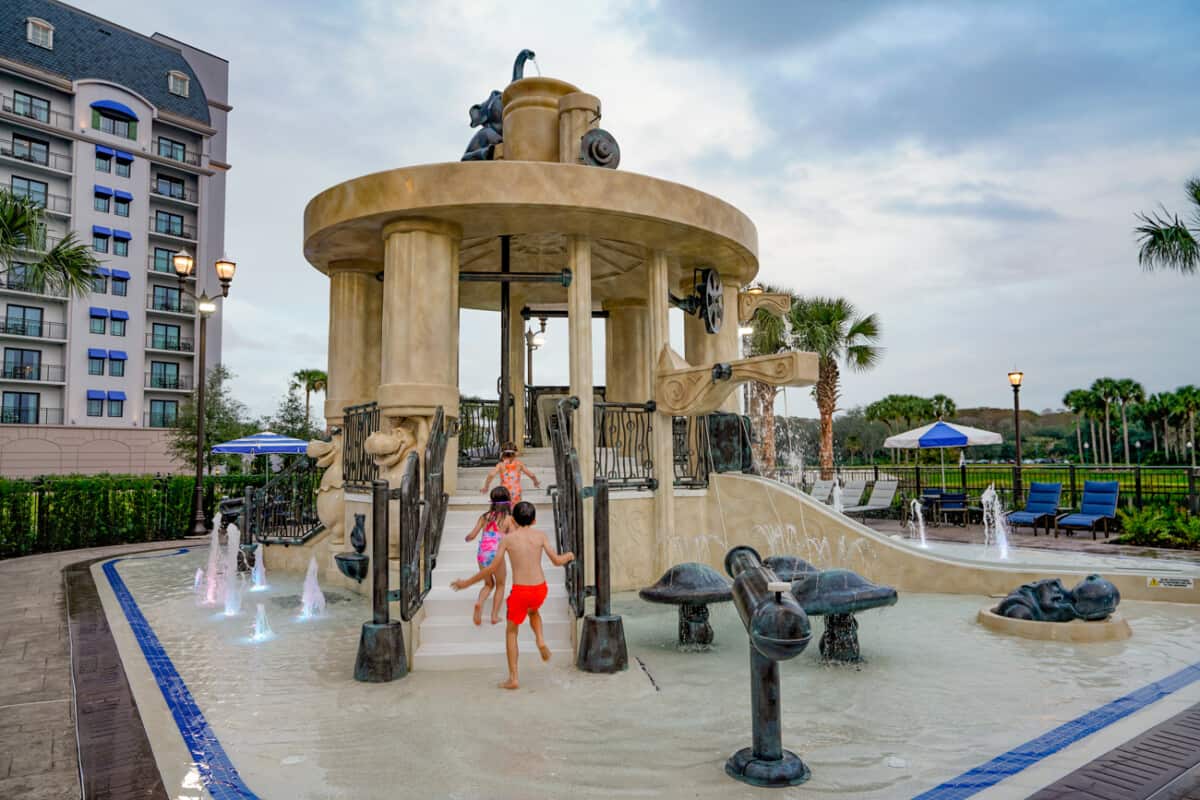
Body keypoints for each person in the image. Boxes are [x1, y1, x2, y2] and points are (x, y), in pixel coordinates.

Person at [450, 501, 573, 690]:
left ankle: (513, 678)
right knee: (533, 611)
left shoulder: (507, 540)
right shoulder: (540, 536)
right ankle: (540, 639)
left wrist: (466, 583)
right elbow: (557, 561)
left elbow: (491, 568)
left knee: (511, 631)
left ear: (513, 519)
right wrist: (570, 556)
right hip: (540, 588)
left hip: (520, 591)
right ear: (534, 520)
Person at [464, 486, 513, 625]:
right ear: (508, 501)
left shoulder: (484, 516)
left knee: (488, 583)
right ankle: (494, 616)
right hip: (496, 555)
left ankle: (479, 602)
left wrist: (467, 538)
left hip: (482, 554)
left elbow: (472, 535)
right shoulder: (508, 519)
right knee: (501, 584)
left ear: (491, 500)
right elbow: (515, 537)